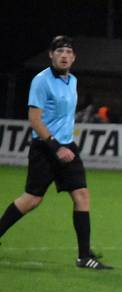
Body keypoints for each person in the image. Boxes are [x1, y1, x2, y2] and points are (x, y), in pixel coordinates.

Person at [0, 36, 111, 269]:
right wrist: (55, 146)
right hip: (45, 148)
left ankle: (84, 256)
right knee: (31, 200)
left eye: (69, 52)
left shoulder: (73, 80)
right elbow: (34, 119)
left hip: (67, 147)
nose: (64, 55)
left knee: (81, 196)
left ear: (74, 57)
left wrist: (65, 145)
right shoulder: (41, 81)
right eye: (59, 51)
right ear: (51, 55)